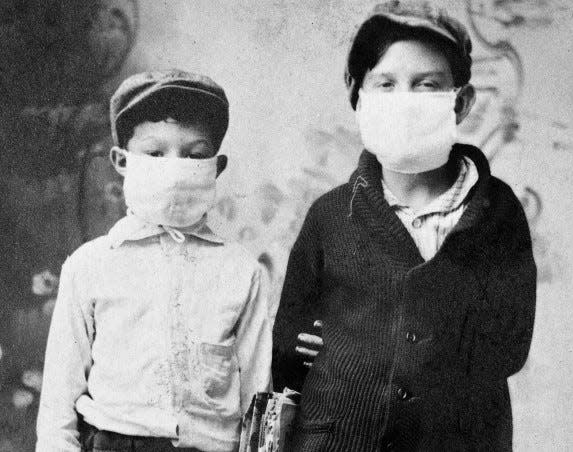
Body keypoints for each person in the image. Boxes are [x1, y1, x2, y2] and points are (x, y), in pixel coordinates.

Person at [271, 1, 537, 450]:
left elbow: (509, 344)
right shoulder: (331, 214)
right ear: (357, 95)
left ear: (462, 101)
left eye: (426, 86)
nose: (405, 101)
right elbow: (288, 345)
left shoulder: (497, 213)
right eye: (386, 85)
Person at [36, 70, 272, 452]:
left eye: (195, 155)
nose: (175, 169)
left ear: (217, 165)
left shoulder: (242, 272)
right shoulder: (90, 266)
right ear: (121, 160)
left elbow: (257, 397)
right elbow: (58, 405)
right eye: (155, 153)